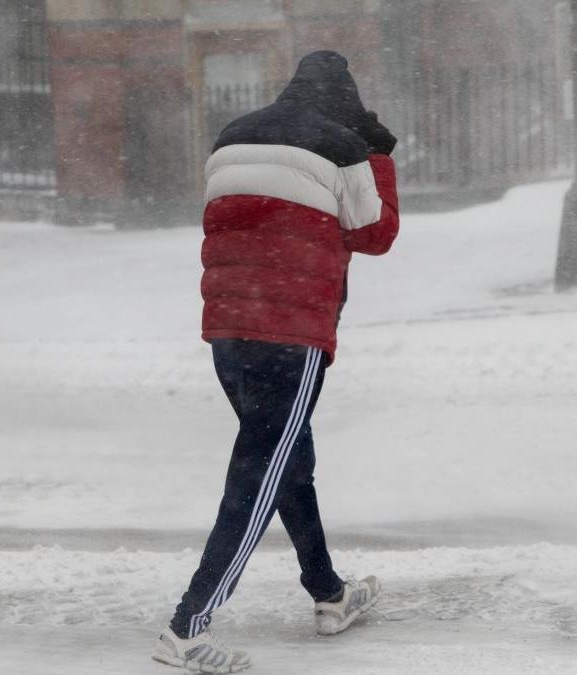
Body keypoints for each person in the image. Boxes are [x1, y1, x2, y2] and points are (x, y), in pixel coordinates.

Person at [152, 50, 400, 674]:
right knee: (260, 473)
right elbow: (375, 234)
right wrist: (379, 156)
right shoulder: (343, 145)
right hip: (290, 332)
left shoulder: (230, 138)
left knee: (287, 461)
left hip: (228, 328)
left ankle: (330, 593)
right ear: (345, 101)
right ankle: (188, 628)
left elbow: (243, 222)